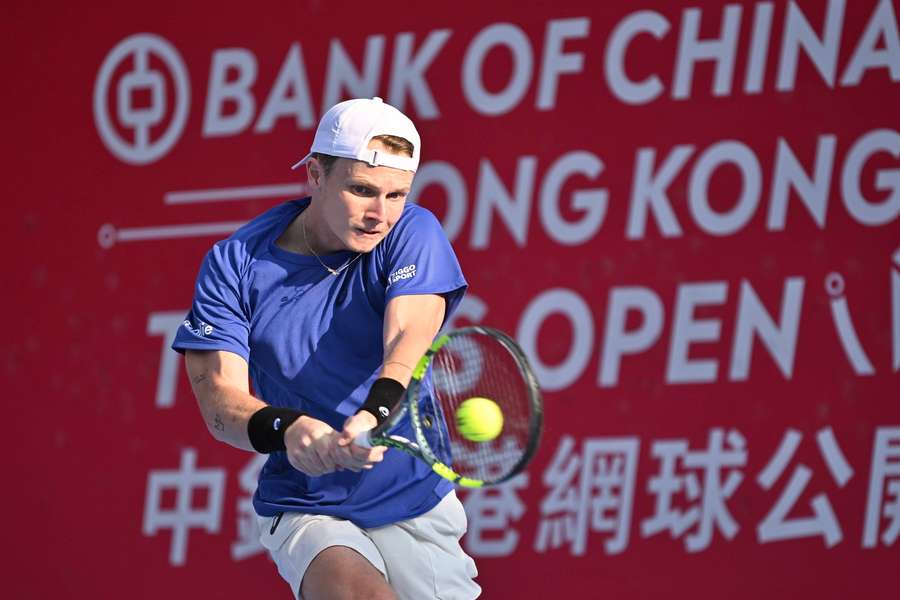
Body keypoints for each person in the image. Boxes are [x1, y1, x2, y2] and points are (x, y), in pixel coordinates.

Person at [172, 97, 480, 599]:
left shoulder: (412, 232)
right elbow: (219, 403)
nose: (381, 214)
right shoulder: (234, 263)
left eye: (397, 194)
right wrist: (288, 429)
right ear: (315, 174)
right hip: (306, 500)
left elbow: (407, 337)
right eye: (362, 190)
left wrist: (372, 414)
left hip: (413, 496)